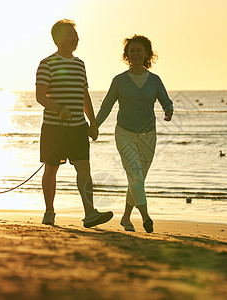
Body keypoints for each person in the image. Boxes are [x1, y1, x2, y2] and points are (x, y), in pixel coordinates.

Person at [35, 19, 113, 227]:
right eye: (70, 34)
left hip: (78, 128)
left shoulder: (80, 64)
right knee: (51, 170)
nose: (75, 37)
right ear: (58, 38)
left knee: (84, 169)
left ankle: (90, 213)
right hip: (54, 128)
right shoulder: (47, 64)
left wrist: (93, 123)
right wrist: (59, 109)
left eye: (75, 34)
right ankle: (49, 211)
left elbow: (84, 95)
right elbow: (40, 96)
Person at [95, 35, 173, 233]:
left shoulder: (155, 80)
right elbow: (106, 106)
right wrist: (94, 125)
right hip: (125, 134)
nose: (136, 54)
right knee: (136, 176)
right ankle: (146, 217)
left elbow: (166, 100)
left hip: (149, 136)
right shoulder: (119, 80)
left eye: (140, 50)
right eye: (132, 51)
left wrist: (168, 109)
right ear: (127, 55)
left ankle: (126, 218)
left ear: (147, 53)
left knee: (137, 178)